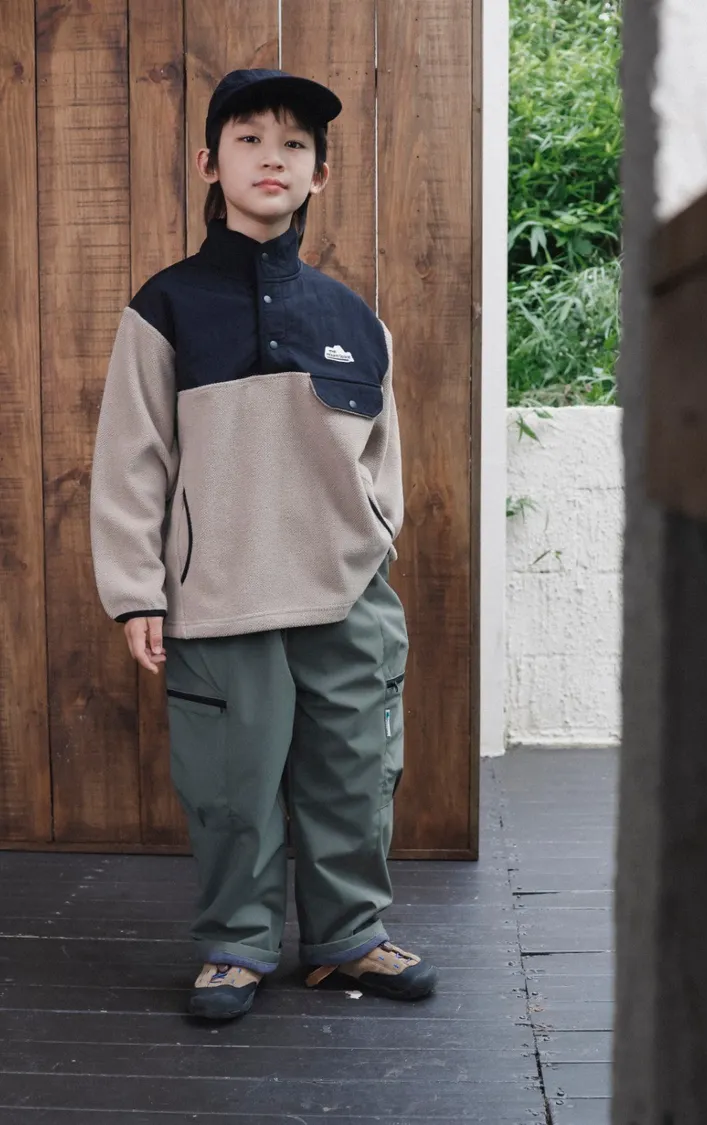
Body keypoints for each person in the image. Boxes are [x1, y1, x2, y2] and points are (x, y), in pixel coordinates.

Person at [90, 68, 438, 1021]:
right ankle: (237, 944)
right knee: (231, 784)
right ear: (211, 163)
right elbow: (131, 455)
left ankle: (347, 939)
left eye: (294, 144)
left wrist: (370, 543)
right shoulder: (165, 306)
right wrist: (137, 589)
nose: (271, 158)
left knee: (355, 772)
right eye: (249, 139)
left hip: (345, 597)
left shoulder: (354, 319)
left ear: (320, 173)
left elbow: (382, 461)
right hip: (221, 594)